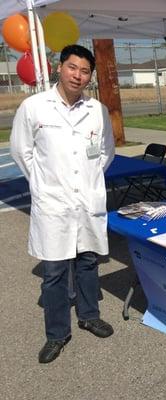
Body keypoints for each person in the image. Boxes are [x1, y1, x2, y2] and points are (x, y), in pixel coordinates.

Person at [10, 44, 116, 364]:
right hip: (53, 204)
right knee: (54, 272)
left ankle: (88, 315)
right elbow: (21, 151)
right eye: (72, 67)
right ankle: (57, 334)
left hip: (86, 201)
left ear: (90, 76)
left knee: (87, 262)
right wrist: (44, 185)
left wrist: (87, 182)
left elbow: (105, 153)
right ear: (60, 67)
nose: (78, 75)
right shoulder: (34, 107)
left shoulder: (96, 110)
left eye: (84, 71)